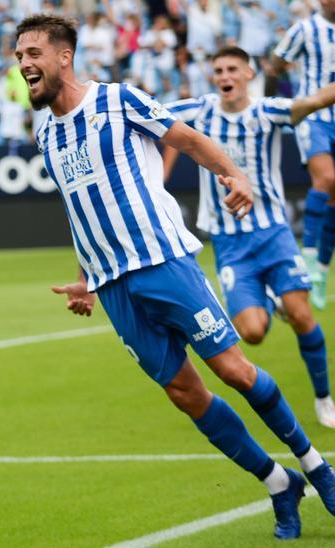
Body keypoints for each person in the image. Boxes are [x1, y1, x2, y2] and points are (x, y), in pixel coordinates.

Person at [18, 15, 335, 539]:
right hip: (114, 285)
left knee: (233, 370)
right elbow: (79, 209)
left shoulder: (118, 100)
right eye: (19, 56)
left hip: (164, 261)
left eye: (33, 53)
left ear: (63, 56)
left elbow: (187, 140)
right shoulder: (44, 130)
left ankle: (317, 466)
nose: (25, 64)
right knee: (185, 394)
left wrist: (234, 175)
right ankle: (280, 483)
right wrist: (85, 278)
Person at [163, 46, 335, 428]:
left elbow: (312, 101)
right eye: (219, 70)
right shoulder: (199, 111)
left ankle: (324, 398)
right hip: (230, 243)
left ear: (248, 73)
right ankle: (272, 301)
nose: (225, 76)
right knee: (252, 334)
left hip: (273, 233)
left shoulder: (265, 110)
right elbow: (151, 114)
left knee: (302, 313)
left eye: (232, 69)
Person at [274, 0, 335, 309]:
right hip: (315, 116)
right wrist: (276, 102)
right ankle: (308, 257)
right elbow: (276, 62)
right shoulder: (305, 30)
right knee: (326, 178)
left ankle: (322, 270)